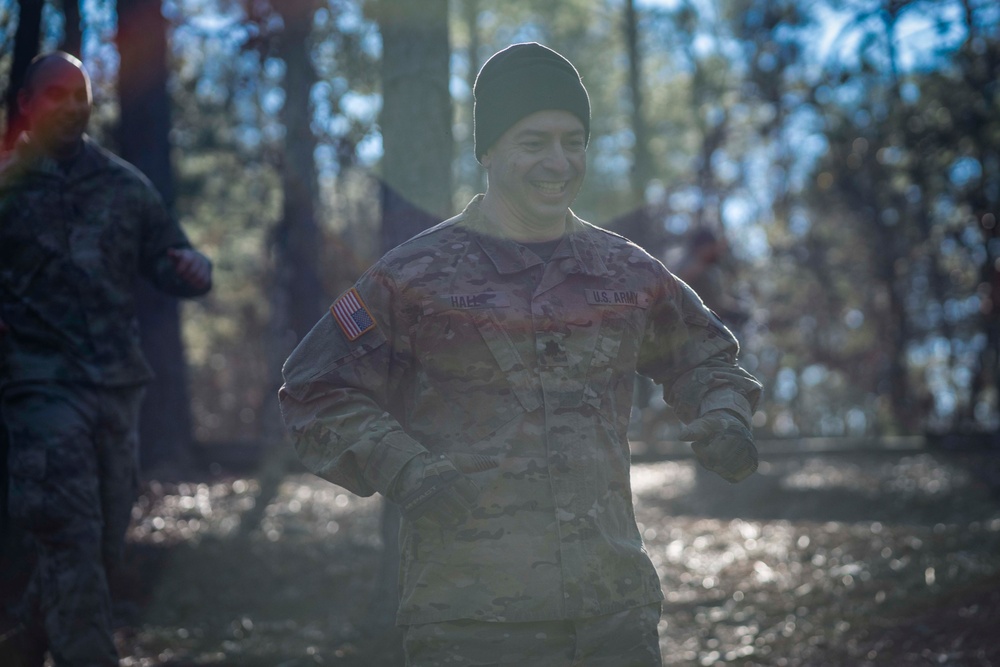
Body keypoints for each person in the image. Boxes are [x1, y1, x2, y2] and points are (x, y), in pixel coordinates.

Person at [280, 42, 761, 666]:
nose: (558, 162)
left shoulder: (624, 270)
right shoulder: (416, 275)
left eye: (574, 140)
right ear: (488, 151)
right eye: (533, 143)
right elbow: (313, 387)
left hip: (612, 612)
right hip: (472, 620)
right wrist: (404, 467)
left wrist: (725, 415)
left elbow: (710, 358)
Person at [0, 51, 212, 666]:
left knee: (100, 547)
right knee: (68, 537)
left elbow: (174, 259)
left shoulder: (123, 186)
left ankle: (25, 647)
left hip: (118, 387)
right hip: (39, 391)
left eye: (80, 96)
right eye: (56, 95)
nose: (71, 108)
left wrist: (195, 271)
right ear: (26, 105)